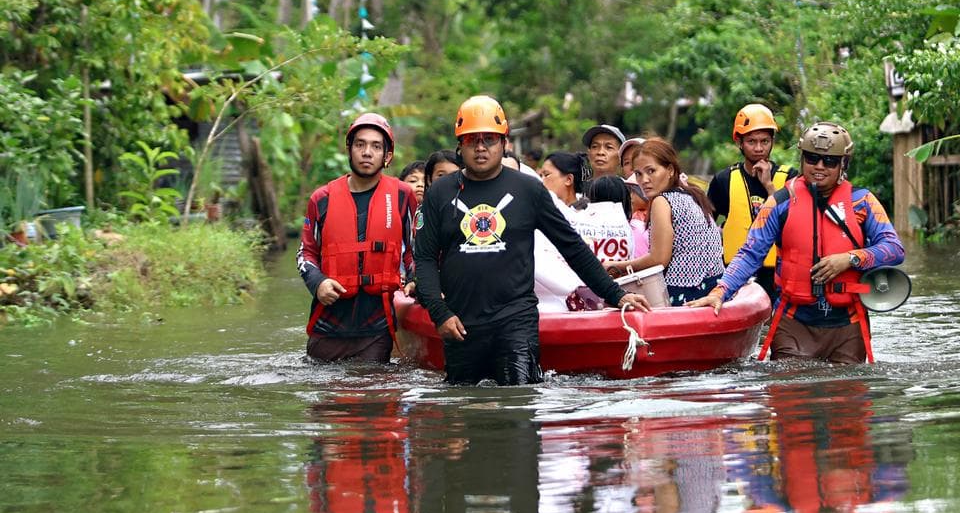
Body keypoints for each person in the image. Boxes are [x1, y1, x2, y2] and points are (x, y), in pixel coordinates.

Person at [414, 95, 650, 385]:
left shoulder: (529, 190)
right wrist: (439, 314)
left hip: (516, 322)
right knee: (465, 412)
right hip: (461, 324)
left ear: (504, 142)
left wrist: (616, 294)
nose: (480, 147)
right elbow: (424, 259)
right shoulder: (440, 193)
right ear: (459, 145)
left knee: (519, 405)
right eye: (471, 140)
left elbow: (572, 248)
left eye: (489, 139)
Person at [688, 122, 905, 364]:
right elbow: (750, 254)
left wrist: (851, 258)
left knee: (847, 396)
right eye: (812, 158)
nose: (819, 166)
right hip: (793, 324)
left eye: (830, 161)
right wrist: (720, 292)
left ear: (844, 164)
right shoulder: (779, 203)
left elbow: (894, 249)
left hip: (847, 325)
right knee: (789, 395)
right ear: (802, 158)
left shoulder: (862, 202)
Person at [298, 112, 418, 363]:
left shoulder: (402, 195)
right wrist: (318, 283)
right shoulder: (321, 199)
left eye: (376, 146)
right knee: (328, 401)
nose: (367, 152)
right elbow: (306, 253)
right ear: (349, 150)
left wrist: (415, 278)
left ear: (387, 156)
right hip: (327, 327)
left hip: (376, 329)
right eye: (360, 144)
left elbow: (413, 250)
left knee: (373, 397)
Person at [603, 139, 724, 305]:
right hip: (712, 287)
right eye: (638, 174)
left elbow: (659, 259)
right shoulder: (692, 195)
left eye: (651, 171)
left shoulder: (662, 201)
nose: (644, 180)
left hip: (686, 293)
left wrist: (617, 266)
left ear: (670, 170)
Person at [706, 104, 798, 302]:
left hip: (779, 274)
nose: (759, 148)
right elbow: (705, 226)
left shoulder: (790, 178)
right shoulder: (724, 180)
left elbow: (797, 225)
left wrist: (769, 186)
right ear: (739, 142)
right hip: (737, 273)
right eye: (751, 141)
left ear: (772, 141)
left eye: (765, 141)